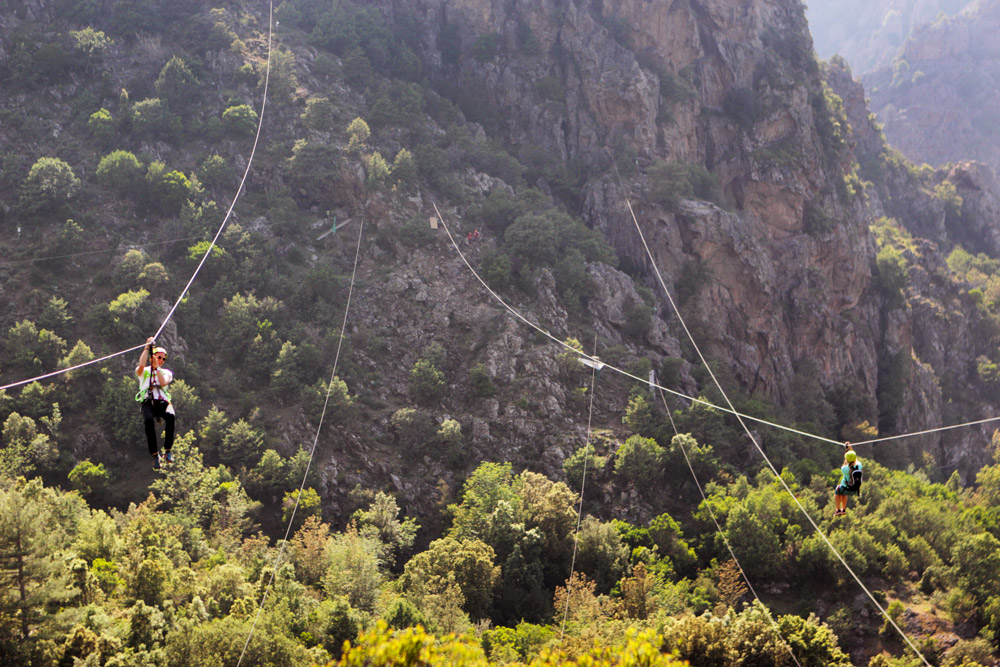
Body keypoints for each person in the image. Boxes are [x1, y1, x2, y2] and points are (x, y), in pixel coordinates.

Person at [135, 336, 175, 470]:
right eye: (159, 357)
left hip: (162, 401)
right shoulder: (144, 372)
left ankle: (167, 450)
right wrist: (147, 347)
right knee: (148, 421)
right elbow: (140, 366)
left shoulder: (166, 372)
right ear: (153, 357)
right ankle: (154, 454)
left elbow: (163, 382)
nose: (162, 360)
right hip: (148, 402)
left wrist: (157, 368)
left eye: (164, 358)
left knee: (171, 416)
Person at [834, 442, 862, 516]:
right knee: (844, 491)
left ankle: (838, 510)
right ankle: (843, 509)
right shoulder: (859, 466)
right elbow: (855, 459)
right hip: (854, 490)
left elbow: (846, 462)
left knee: (838, 490)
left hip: (846, 489)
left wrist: (847, 449)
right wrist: (850, 447)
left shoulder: (844, 468)